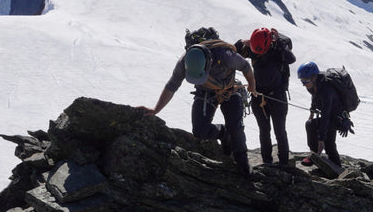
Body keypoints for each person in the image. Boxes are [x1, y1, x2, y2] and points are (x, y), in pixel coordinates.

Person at [141, 35, 257, 177]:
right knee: (200, 130)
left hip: (230, 88)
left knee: (235, 127)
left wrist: (251, 85)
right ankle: (223, 133)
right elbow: (172, 86)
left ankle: (242, 161)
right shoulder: (185, 62)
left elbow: (246, 66)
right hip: (205, 91)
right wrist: (156, 109)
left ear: (210, 61)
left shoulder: (226, 56)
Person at [235, 28, 296, 166]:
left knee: (278, 131)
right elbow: (234, 51)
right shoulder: (255, 48)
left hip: (275, 97)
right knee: (266, 130)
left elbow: (291, 59)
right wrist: (242, 42)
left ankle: (283, 163)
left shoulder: (278, 51)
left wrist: (279, 42)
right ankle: (268, 162)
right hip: (260, 97)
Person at [297, 61, 343, 167]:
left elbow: (326, 115)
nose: (304, 84)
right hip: (332, 116)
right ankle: (333, 165)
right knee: (329, 143)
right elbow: (314, 96)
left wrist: (321, 140)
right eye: (302, 81)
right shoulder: (315, 84)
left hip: (337, 118)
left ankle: (316, 155)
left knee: (313, 127)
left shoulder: (327, 91)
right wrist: (312, 112)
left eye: (305, 81)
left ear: (313, 77)